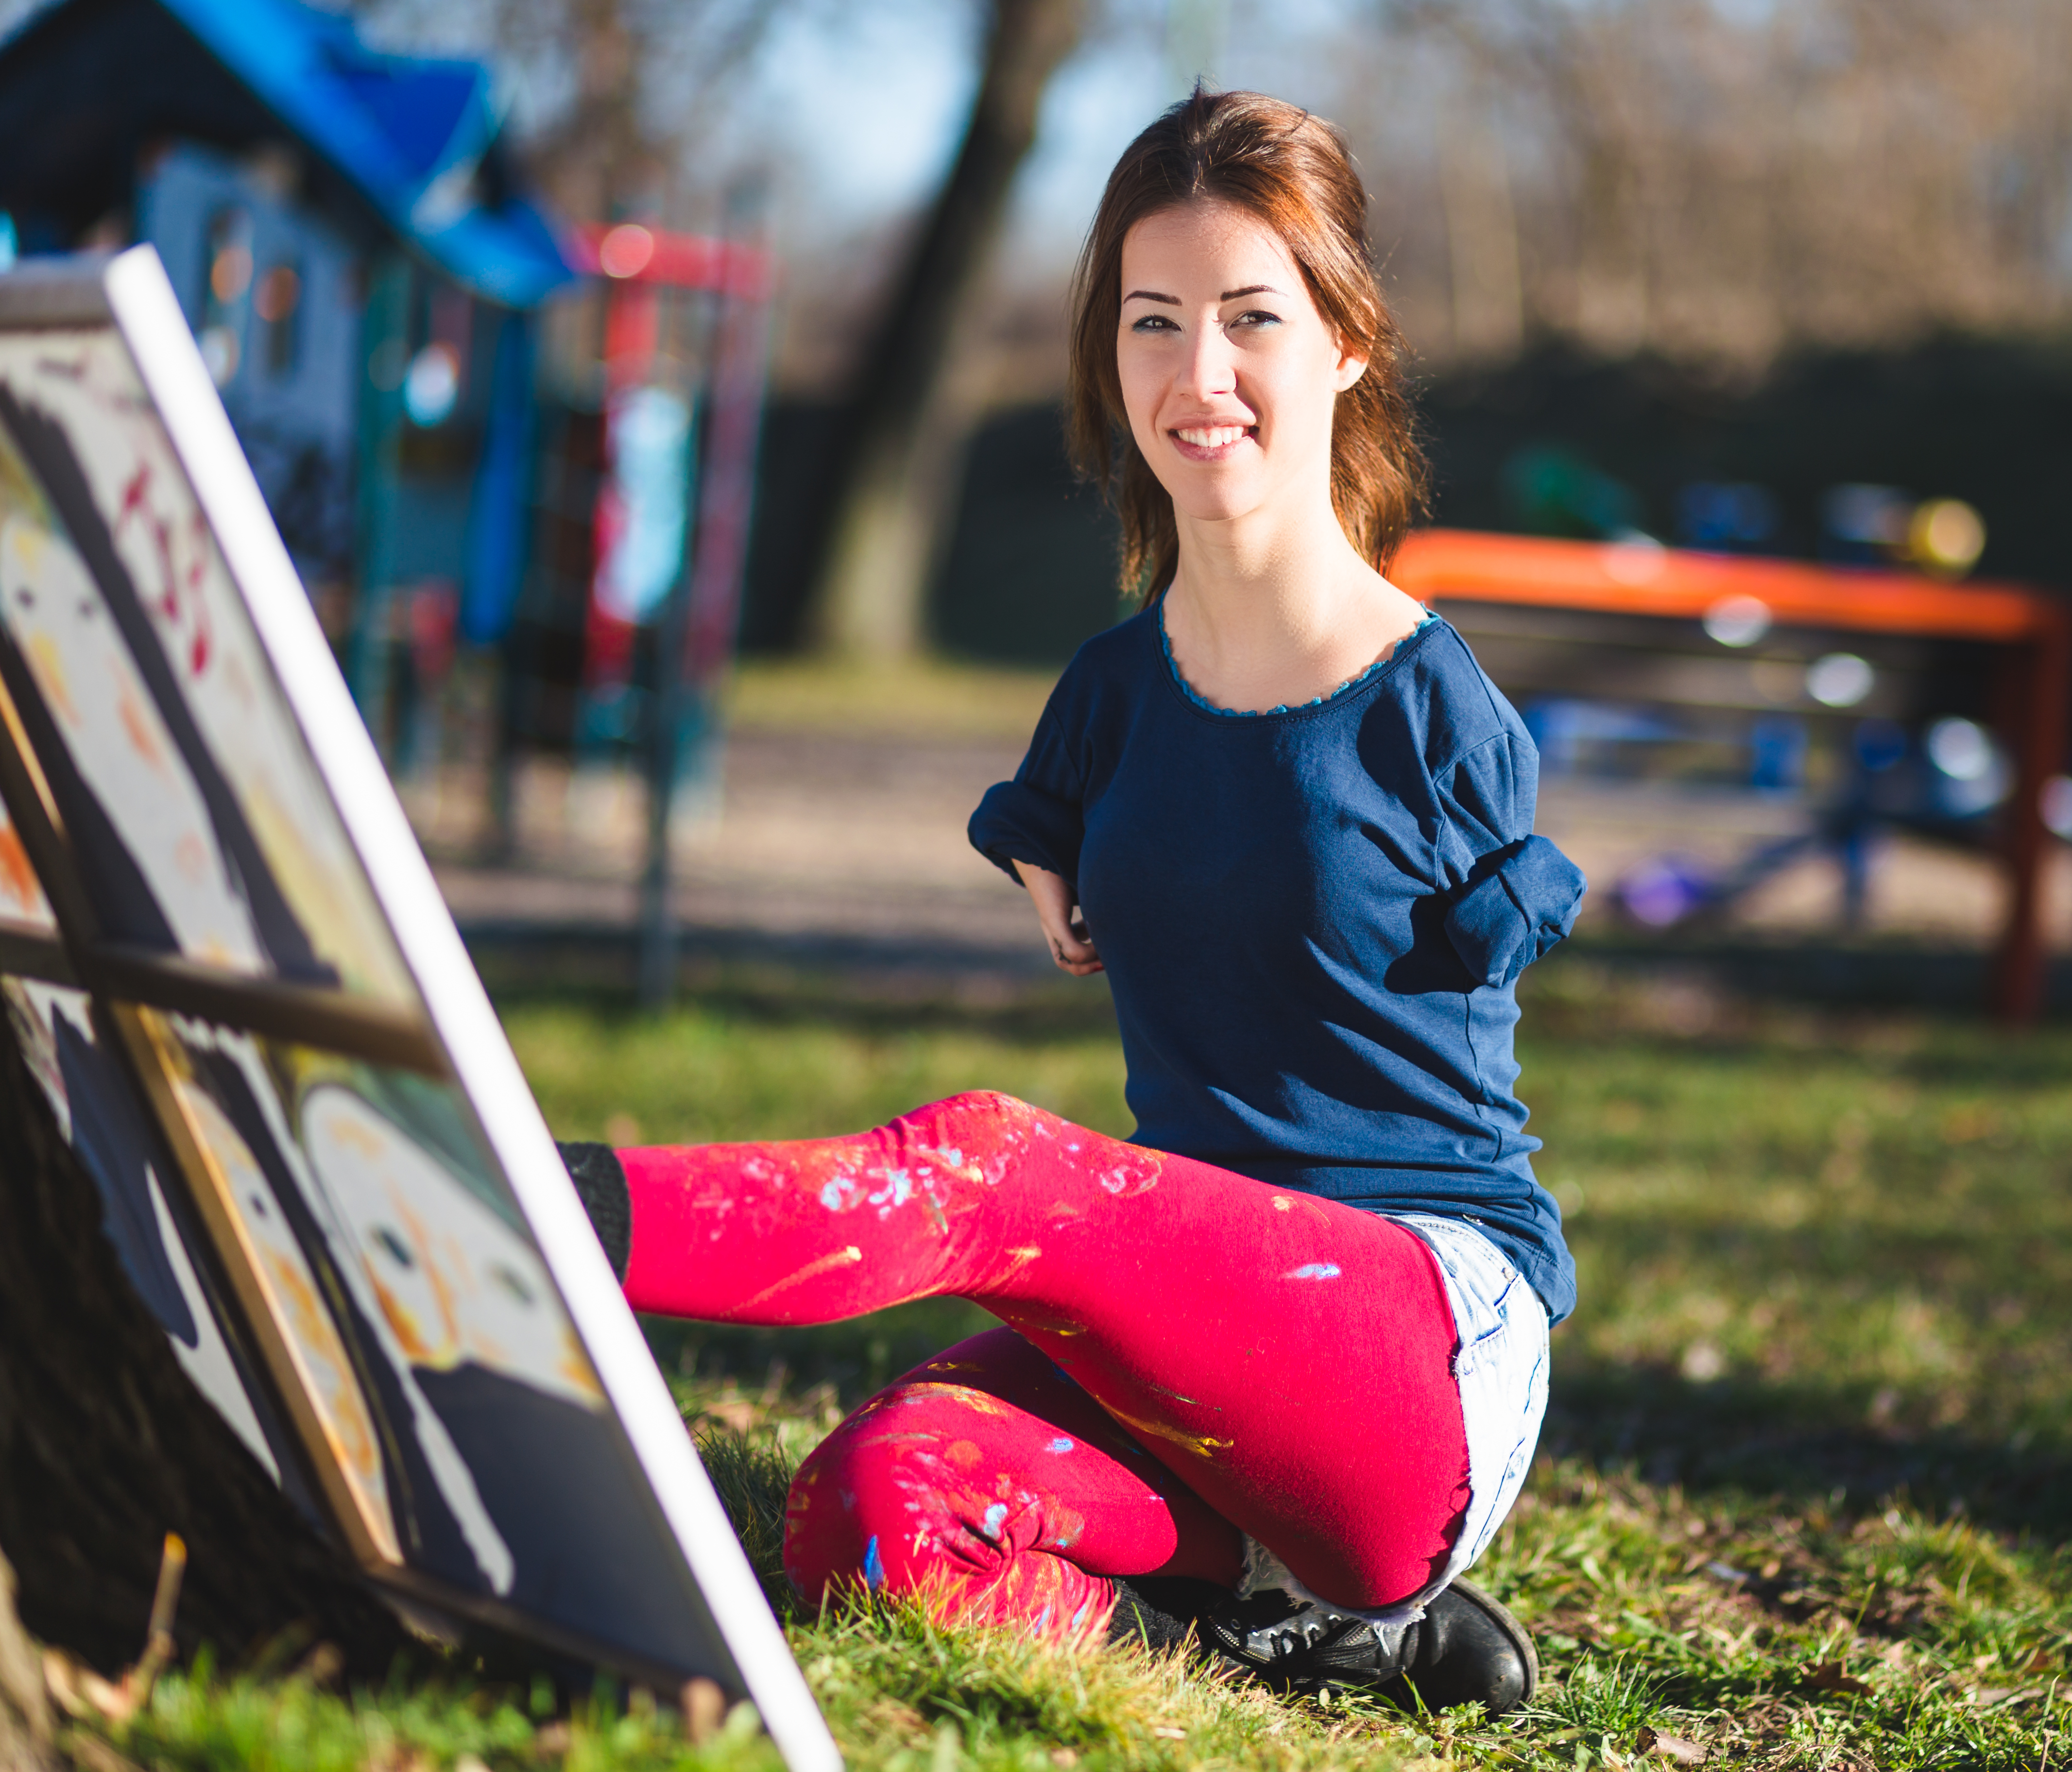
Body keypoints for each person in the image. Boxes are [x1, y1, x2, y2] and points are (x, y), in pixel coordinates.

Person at [559, 87, 1583, 1716]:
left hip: (1416, 1343)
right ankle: (1284, 1640)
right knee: (868, 1512)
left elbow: (1508, 903)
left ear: (1346, 348)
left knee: (996, 1174)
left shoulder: (1429, 704)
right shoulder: (1115, 690)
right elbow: (1064, 811)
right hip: (1178, 1350)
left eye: (1254, 320)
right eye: (1151, 322)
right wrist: (1061, 861)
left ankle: (542, 1213)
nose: (1198, 377)